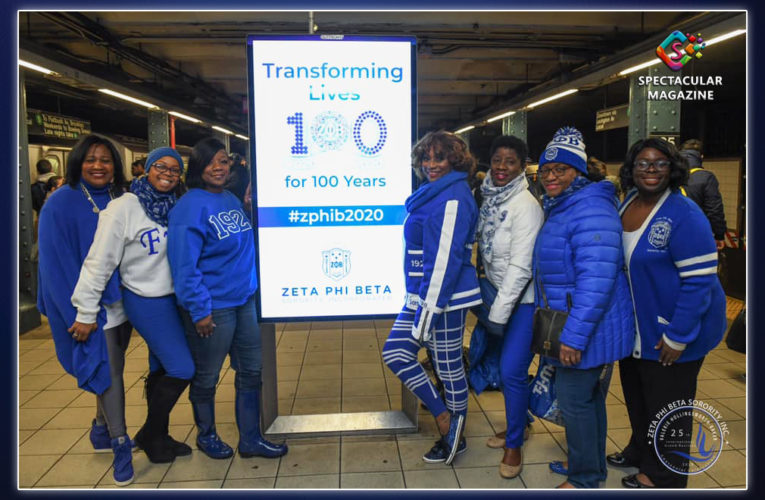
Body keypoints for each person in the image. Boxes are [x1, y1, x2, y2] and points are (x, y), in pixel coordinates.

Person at [611, 138, 727, 488]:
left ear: (672, 169)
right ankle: (639, 450)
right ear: (631, 169)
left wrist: (678, 336)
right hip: (638, 325)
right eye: (642, 163)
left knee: (669, 406)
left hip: (677, 327)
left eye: (660, 163)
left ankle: (664, 475)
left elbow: (699, 283)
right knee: (637, 392)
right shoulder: (629, 201)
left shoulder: (684, 213)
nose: (650, 169)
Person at [71, 147, 196, 465]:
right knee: (183, 368)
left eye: (174, 170)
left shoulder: (177, 205)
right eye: (161, 167)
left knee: (161, 369)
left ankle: (159, 437)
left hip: (174, 298)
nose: (167, 174)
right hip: (145, 299)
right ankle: (150, 434)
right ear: (146, 169)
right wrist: (85, 311)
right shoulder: (123, 208)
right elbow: (99, 261)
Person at [167, 137, 287, 460]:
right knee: (207, 375)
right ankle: (206, 435)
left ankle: (250, 438)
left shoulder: (230, 199)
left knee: (251, 369)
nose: (218, 168)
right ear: (198, 168)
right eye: (211, 162)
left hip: (244, 301)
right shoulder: (188, 207)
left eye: (223, 161)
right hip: (213, 308)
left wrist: (248, 206)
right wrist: (199, 310)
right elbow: (183, 266)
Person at [532, 126, 634, 489]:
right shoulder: (567, 206)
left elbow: (596, 283)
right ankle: (587, 464)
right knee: (588, 403)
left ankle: (586, 478)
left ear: (578, 172)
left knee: (576, 404)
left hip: (584, 329)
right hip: (578, 324)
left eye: (561, 169)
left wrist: (573, 339)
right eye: (545, 170)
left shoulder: (590, 210)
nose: (551, 176)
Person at [36, 134, 135, 486]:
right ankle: (120, 443)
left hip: (123, 304)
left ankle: (99, 427)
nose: (98, 166)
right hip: (89, 308)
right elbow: (54, 265)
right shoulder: (59, 203)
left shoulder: (122, 197)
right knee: (111, 375)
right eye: (91, 159)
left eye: (106, 160)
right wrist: (82, 313)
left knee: (110, 367)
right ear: (78, 162)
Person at [381, 130, 481, 466]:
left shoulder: (452, 197)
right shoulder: (433, 193)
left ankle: (454, 437)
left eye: (439, 157)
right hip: (422, 295)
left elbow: (445, 262)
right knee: (397, 352)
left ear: (455, 159)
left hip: (443, 300)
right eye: (426, 157)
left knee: (449, 367)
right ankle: (444, 416)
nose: (431, 164)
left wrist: (429, 310)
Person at [472, 135, 543, 478]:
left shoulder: (525, 205)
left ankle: (514, 443)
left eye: (510, 162)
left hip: (521, 301)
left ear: (522, 166)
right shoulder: (489, 197)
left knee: (512, 372)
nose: (501, 168)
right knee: (501, 368)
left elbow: (520, 268)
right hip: (494, 293)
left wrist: (497, 316)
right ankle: (522, 422)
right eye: (497, 160)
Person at [677, 139, 727, 251]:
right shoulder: (706, 177)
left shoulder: (670, 175)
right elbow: (714, 209)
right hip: (695, 236)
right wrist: (719, 235)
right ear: (701, 156)